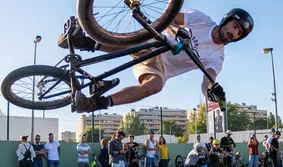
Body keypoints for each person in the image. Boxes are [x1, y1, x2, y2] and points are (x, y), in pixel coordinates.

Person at [67, 8, 254, 113]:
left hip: (160, 69)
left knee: (155, 86)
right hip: (157, 41)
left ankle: (92, 104)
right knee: (148, 46)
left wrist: (211, 92)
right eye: (235, 26)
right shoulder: (201, 20)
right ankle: (82, 40)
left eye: (239, 34)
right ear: (226, 19)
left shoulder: (217, 56)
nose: (234, 33)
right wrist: (175, 32)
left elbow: (207, 79)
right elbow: (168, 18)